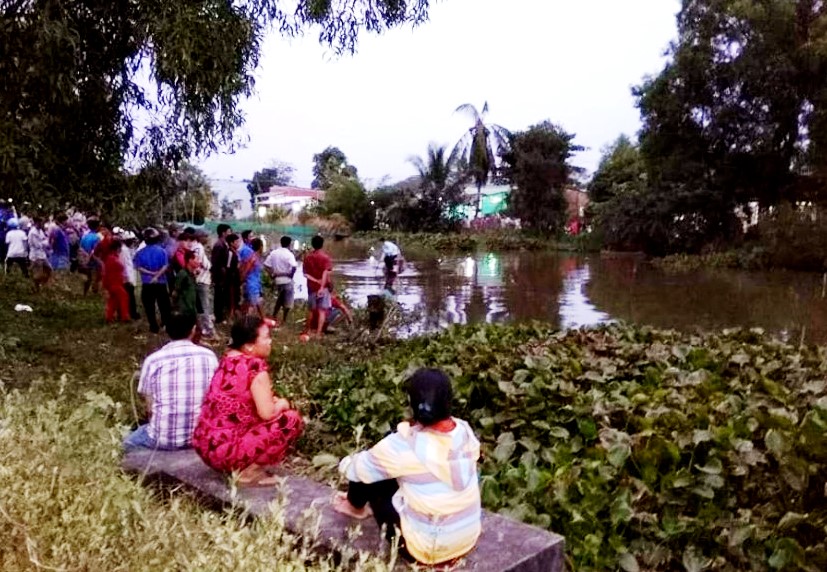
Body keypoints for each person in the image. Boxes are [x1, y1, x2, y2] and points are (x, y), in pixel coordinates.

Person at [333, 369, 482, 566]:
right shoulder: (465, 432)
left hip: (425, 552)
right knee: (403, 473)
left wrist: (351, 461)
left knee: (371, 473)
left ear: (412, 404)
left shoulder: (402, 445)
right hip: (466, 541)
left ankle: (355, 507)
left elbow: (354, 470)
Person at [193, 316, 304, 485]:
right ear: (249, 345)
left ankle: (237, 466)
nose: (270, 341)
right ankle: (247, 474)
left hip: (205, 447)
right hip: (226, 453)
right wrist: (282, 404)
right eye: (266, 337)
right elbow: (267, 414)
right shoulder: (255, 367)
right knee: (291, 420)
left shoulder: (227, 360)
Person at [123, 312, 218, 451]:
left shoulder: (153, 360)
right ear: (193, 330)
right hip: (200, 436)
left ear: (167, 331)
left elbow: (150, 409)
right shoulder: (209, 356)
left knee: (126, 443)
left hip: (162, 439)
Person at [134, 227, 172, 334]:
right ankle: (166, 324)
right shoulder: (162, 251)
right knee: (164, 305)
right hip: (161, 283)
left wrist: (151, 274)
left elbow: (138, 267)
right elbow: (165, 266)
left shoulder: (139, 253)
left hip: (147, 283)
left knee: (149, 306)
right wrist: (157, 275)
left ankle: (153, 326)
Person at [303, 235, 333, 337]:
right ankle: (318, 333)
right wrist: (322, 286)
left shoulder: (307, 257)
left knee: (311, 310)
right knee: (322, 311)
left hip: (311, 287)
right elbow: (326, 273)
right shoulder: (325, 258)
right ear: (322, 244)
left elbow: (305, 274)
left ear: (312, 244)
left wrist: (316, 281)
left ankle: (307, 330)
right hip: (323, 288)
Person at [263, 235, 298, 324]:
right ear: (289, 244)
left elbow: (266, 265)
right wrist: (289, 274)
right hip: (286, 280)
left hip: (277, 280)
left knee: (280, 299)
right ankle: (284, 319)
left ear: (281, 243)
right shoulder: (289, 254)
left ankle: (274, 315)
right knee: (287, 301)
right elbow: (294, 267)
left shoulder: (274, 253)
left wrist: (271, 274)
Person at [188, 229, 215, 338]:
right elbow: (200, 262)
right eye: (205, 236)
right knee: (205, 305)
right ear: (200, 237)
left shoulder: (194, 246)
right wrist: (208, 266)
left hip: (199, 279)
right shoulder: (198, 247)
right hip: (202, 279)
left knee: (201, 305)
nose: (207, 239)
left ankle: (202, 327)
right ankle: (208, 329)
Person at [102, 240, 131, 323]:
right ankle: (125, 317)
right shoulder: (112, 258)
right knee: (124, 297)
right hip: (114, 283)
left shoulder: (112, 257)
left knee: (113, 300)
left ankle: (109, 317)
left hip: (114, 283)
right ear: (117, 248)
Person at [210, 224, 232, 324]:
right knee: (219, 297)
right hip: (219, 276)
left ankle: (220, 315)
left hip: (223, 276)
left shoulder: (224, 244)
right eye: (229, 231)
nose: (230, 233)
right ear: (223, 233)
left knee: (222, 296)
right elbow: (216, 262)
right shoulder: (219, 245)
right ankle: (218, 316)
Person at [240, 237, 265, 319]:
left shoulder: (256, 257)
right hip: (251, 284)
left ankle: (262, 319)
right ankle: (246, 322)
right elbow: (246, 270)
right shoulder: (253, 258)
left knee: (252, 303)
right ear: (261, 247)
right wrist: (242, 280)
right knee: (252, 305)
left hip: (255, 284)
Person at [118, 230, 140, 320]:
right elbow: (125, 265)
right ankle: (131, 314)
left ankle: (126, 313)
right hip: (126, 278)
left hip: (127, 277)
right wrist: (128, 279)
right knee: (129, 298)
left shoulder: (126, 249)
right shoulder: (123, 251)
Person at [172, 250, 199, 319]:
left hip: (192, 310)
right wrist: (176, 310)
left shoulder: (192, 274)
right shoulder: (182, 274)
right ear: (190, 260)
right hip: (184, 311)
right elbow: (175, 293)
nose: (199, 262)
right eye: (197, 259)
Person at [79, 219, 103, 294]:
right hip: (93, 260)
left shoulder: (84, 236)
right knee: (96, 278)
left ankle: (85, 292)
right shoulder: (96, 238)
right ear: (97, 226)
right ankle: (95, 292)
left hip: (84, 259)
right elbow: (96, 251)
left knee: (88, 278)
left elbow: (80, 248)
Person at [28, 217, 52, 289]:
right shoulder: (33, 232)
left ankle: (42, 284)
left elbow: (44, 239)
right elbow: (37, 245)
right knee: (38, 273)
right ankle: (36, 288)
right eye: (41, 223)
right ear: (37, 223)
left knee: (49, 269)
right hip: (36, 255)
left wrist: (45, 242)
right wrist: (45, 243)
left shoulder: (40, 231)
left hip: (42, 254)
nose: (42, 224)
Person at [226, 233, 242, 319]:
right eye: (236, 241)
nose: (238, 243)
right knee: (232, 297)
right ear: (231, 243)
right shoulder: (230, 253)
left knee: (236, 296)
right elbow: (227, 267)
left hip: (236, 277)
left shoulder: (236, 252)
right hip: (232, 278)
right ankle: (230, 315)